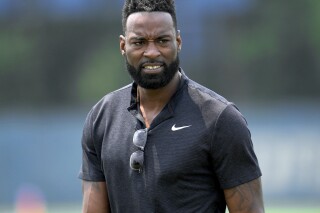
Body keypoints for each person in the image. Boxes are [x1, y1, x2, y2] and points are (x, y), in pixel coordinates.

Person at [78, 0, 264, 212]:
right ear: (123, 46)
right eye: (139, 42)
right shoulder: (101, 118)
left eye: (162, 41)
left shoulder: (220, 119)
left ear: (178, 41)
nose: (152, 52)